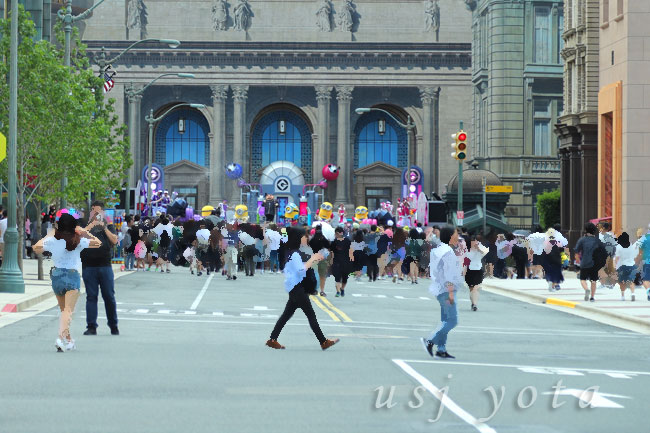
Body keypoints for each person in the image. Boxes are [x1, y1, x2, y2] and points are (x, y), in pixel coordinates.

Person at [33, 213, 101, 351]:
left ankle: (69, 340)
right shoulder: (78, 240)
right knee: (68, 311)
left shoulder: (53, 240)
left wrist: (49, 235)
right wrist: (84, 232)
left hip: (57, 276)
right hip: (72, 276)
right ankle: (60, 338)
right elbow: (98, 243)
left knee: (64, 311)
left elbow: (36, 247)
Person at [266, 227, 339, 351]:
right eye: (304, 236)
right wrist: (313, 259)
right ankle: (323, 341)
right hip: (296, 287)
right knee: (311, 315)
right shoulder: (293, 253)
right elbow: (300, 270)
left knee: (286, 315)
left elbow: (302, 268)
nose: (306, 238)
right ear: (298, 238)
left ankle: (272, 339)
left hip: (295, 287)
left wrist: (315, 259)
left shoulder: (293, 252)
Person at [421, 225, 464, 359]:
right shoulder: (448, 252)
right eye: (456, 234)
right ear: (451, 235)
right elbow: (448, 274)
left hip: (439, 288)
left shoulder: (438, 250)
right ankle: (430, 340)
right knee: (452, 321)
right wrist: (451, 292)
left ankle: (441, 349)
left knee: (445, 320)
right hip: (446, 290)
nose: (458, 236)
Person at [80, 201, 120, 336]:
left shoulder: (109, 226)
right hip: (88, 267)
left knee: (109, 296)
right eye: (92, 211)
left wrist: (104, 228)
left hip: (105, 266)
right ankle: (91, 326)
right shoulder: (85, 226)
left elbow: (114, 241)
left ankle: (113, 325)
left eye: (97, 211)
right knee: (91, 296)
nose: (94, 214)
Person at [574, 222, 606, 302]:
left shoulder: (582, 240)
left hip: (584, 262)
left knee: (582, 279)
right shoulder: (597, 241)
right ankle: (592, 297)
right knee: (593, 280)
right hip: (595, 263)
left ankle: (586, 289)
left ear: (586, 230)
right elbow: (603, 251)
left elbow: (577, 252)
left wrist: (578, 261)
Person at [465, 235, 489, 311]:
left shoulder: (480, 246)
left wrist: (478, 249)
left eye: (475, 241)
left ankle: (475, 304)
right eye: (472, 242)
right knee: (471, 288)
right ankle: (473, 303)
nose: (474, 243)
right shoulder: (466, 249)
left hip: (478, 269)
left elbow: (485, 252)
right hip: (469, 270)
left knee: (475, 288)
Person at [614, 232, 639, 301]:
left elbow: (617, 258)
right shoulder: (632, 246)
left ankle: (623, 296)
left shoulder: (619, 247)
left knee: (622, 282)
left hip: (622, 266)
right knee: (631, 281)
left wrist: (615, 266)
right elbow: (635, 256)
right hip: (632, 266)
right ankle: (633, 293)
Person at [331, 226, 352, 297]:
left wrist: (352, 260)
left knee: (345, 278)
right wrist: (331, 261)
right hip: (337, 262)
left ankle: (342, 288)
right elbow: (332, 252)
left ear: (337, 233)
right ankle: (338, 291)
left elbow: (350, 251)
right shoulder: (334, 242)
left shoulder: (347, 241)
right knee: (337, 278)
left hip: (346, 262)